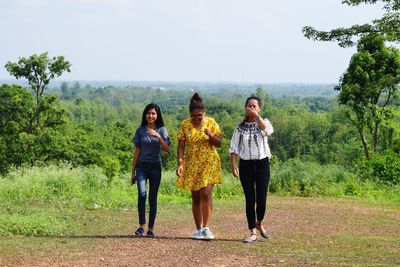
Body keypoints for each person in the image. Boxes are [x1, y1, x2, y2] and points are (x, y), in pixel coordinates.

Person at [176, 92, 223, 240]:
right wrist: (180, 163)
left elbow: (219, 143)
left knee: (206, 194)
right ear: (190, 114)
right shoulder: (185, 125)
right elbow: (181, 146)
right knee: (196, 196)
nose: (197, 118)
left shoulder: (211, 122)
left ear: (205, 113)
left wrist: (210, 135)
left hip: (209, 162)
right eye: (194, 116)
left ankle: (207, 228)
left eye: (200, 115)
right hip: (192, 164)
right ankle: (198, 229)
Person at [229, 96, 274, 243]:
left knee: (261, 199)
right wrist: (233, 165)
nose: (251, 108)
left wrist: (257, 117)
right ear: (245, 108)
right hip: (246, 165)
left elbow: (267, 131)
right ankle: (253, 231)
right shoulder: (239, 127)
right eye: (249, 106)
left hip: (262, 164)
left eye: (254, 106)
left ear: (259, 108)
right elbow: (234, 147)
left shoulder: (264, 122)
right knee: (250, 199)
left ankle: (259, 222)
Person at [131, 103, 170, 238]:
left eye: (153, 113)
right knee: (142, 194)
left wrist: (158, 136)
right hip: (141, 166)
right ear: (145, 115)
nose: (150, 116)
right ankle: (142, 226)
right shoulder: (140, 130)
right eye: (148, 113)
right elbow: (137, 151)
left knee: (152, 198)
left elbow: (167, 149)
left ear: (157, 115)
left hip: (155, 167)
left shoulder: (162, 130)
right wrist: (133, 172)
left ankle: (151, 229)